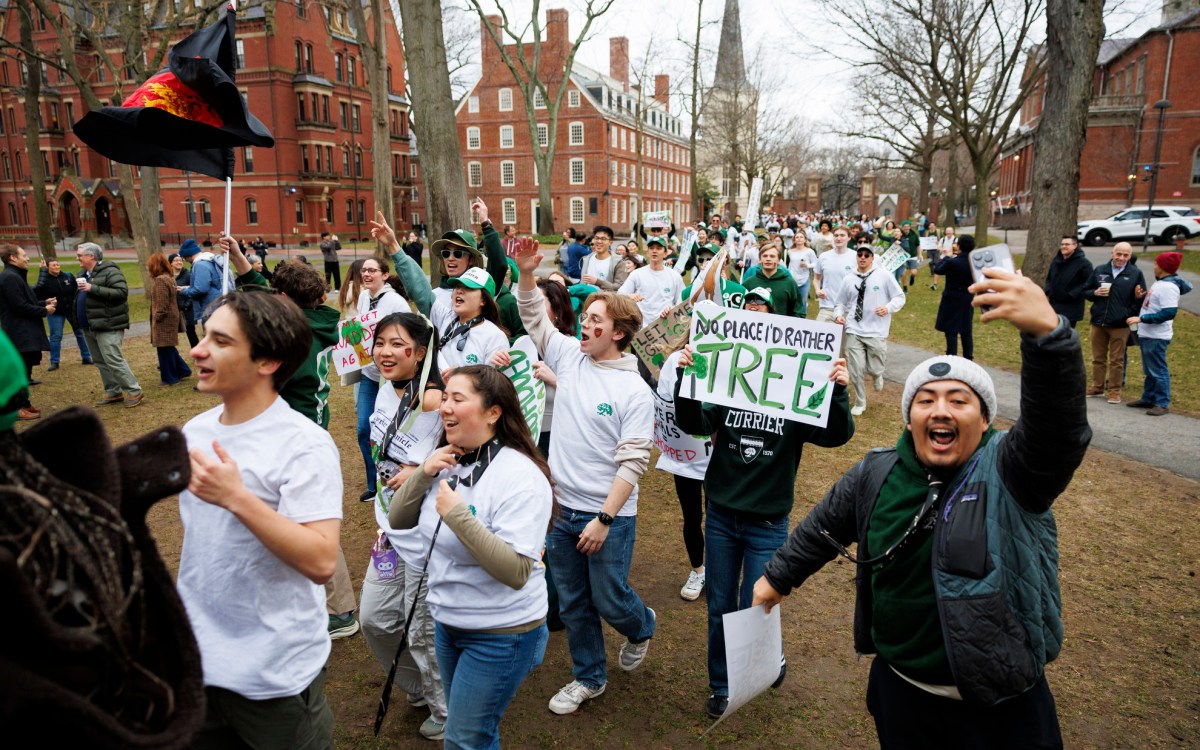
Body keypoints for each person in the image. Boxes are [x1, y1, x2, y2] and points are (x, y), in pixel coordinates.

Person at [753, 267, 1092, 748]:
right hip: (902, 694)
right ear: (911, 417)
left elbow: (1059, 431)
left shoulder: (1013, 472)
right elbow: (824, 528)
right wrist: (777, 578)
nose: (940, 411)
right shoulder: (877, 471)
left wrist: (1048, 338)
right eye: (926, 400)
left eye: (959, 401)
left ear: (984, 418)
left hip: (1001, 707)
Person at [673, 300, 853, 719]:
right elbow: (693, 422)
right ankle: (722, 684)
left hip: (768, 521)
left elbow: (836, 435)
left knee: (756, 603)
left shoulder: (795, 393)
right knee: (720, 604)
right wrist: (688, 374)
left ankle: (767, 660)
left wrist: (839, 391)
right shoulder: (728, 383)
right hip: (720, 515)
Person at [177, 291, 341, 749]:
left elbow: (322, 559)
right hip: (198, 663)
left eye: (220, 341)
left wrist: (237, 498)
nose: (198, 349)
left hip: (274, 675)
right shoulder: (197, 431)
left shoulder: (303, 444)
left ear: (267, 361)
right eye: (205, 335)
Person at [513, 237, 656, 716]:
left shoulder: (634, 391)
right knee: (573, 602)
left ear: (618, 333)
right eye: (587, 317)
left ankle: (642, 626)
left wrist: (604, 519)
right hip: (560, 510)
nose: (585, 325)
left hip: (606, 515)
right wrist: (526, 271)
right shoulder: (571, 359)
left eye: (596, 320)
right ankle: (589, 677)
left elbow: (633, 463)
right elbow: (534, 314)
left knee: (610, 599)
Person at [389, 366, 554, 750]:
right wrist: (423, 474)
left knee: (464, 740)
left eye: (457, 399)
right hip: (448, 623)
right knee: (476, 734)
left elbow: (515, 571)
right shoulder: (446, 461)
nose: (445, 407)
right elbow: (399, 519)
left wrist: (457, 516)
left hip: (502, 633)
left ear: (493, 412)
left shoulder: (520, 476)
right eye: (444, 397)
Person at [360, 312, 448, 741]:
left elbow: (474, 449)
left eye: (398, 344)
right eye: (380, 342)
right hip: (390, 530)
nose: (386, 352)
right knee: (374, 619)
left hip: (428, 533)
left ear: (420, 353)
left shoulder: (440, 399)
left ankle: (447, 708)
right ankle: (418, 687)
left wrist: (423, 467)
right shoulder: (383, 386)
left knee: (422, 630)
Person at [354, 257, 412, 501]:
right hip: (369, 374)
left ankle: (397, 482)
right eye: (364, 270)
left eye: (372, 271)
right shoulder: (363, 297)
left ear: (385, 275)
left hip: (393, 378)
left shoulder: (395, 302)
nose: (367, 274)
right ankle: (374, 483)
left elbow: (412, 330)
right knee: (364, 429)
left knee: (392, 432)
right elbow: (358, 330)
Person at [834, 244, 906, 416]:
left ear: (872, 258)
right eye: (860, 254)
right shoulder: (849, 278)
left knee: (874, 367)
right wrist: (838, 315)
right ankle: (860, 401)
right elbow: (840, 302)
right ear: (857, 257)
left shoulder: (884, 275)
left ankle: (877, 374)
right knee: (855, 368)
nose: (863, 257)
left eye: (867, 255)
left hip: (876, 329)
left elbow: (899, 297)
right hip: (854, 327)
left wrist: (888, 308)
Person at [75, 243, 144, 408]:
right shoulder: (83, 273)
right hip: (89, 325)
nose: (77, 258)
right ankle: (114, 392)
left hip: (108, 324)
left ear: (91, 256)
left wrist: (93, 288)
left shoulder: (110, 271)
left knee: (113, 358)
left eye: (80, 255)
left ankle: (135, 391)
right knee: (100, 361)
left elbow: (121, 293)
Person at [1126, 252, 1191, 416]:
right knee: (1149, 369)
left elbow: (1168, 313)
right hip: (1148, 334)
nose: (1154, 266)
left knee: (1158, 370)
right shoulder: (1161, 283)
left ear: (1163, 267)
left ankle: (1162, 403)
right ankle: (1148, 398)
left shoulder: (1169, 287)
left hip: (1156, 336)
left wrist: (1141, 319)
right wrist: (1141, 298)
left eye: (1156, 263)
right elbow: (1155, 305)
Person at [1083, 242, 1146, 403]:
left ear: (1130, 257)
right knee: (1098, 358)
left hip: (1120, 324)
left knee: (1117, 360)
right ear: (1112, 253)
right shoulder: (1100, 270)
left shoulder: (1135, 273)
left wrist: (1128, 314)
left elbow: (1140, 298)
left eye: (1125, 255)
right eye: (1118, 254)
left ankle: (1115, 391)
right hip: (1098, 322)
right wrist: (1095, 292)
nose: (1121, 258)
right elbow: (1086, 291)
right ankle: (1097, 387)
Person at [0, 244, 53, 420]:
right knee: (19, 372)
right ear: (13, 258)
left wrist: (44, 302)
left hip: (24, 332)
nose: (27, 258)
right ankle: (16, 408)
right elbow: (19, 306)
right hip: (19, 333)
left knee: (25, 370)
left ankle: (24, 403)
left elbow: (26, 301)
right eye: (24, 255)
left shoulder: (15, 276)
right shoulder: (10, 278)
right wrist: (45, 310)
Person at [438, 267, 509, 371]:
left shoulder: (495, 337)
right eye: (457, 286)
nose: (459, 291)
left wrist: (458, 376)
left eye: (468, 288)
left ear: (483, 300)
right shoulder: (446, 319)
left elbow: (494, 383)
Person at [33, 256, 91, 370]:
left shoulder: (68, 276)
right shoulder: (44, 280)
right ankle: (54, 362)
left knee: (80, 333)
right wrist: (47, 304)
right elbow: (38, 296)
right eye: (54, 265)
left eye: (58, 264)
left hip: (71, 311)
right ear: (47, 268)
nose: (57, 267)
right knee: (56, 337)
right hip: (55, 313)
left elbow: (76, 291)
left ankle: (87, 357)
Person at [147, 252, 193, 387]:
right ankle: (183, 370)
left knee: (163, 349)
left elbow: (162, 303)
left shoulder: (161, 280)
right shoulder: (169, 278)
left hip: (164, 319)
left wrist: (157, 317)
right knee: (168, 347)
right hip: (171, 317)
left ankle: (169, 378)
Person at [618, 235, 684, 327]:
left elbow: (681, 302)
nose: (654, 251)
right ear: (648, 253)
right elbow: (620, 294)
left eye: (659, 248)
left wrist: (671, 309)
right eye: (651, 248)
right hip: (641, 328)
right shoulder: (637, 274)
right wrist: (630, 296)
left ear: (665, 253)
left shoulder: (675, 276)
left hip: (666, 327)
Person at [934, 233, 976, 359]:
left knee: (951, 329)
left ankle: (951, 356)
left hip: (952, 297)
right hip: (968, 297)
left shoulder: (953, 262)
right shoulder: (975, 263)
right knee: (966, 329)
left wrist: (946, 257)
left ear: (958, 246)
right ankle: (968, 357)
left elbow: (938, 269)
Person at [177, 238, 234, 325]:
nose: (186, 261)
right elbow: (209, 283)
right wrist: (189, 287)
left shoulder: (200, 265)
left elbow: (201, 289)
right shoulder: (209, 260)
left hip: (211, 308)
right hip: (220, 303)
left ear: (189, 255)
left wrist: (184, 291)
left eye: (185, 258)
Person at [1043, 236, 1094, 329]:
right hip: (1054, 305)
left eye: (1067, 244)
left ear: (1075, 246)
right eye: (1062, 244)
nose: (1063, 246)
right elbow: (1049, 278)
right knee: (1051, 334)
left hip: (1071, 307)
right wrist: (1048, 290)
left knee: (1065, 336)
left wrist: (1071, 294)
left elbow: (1088, 283)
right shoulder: (1056, 261)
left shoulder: (1084, 264)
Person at [741, 242, 801, 316]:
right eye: (765, 256)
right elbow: (740, 308)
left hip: (780, 326)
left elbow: (799, 311)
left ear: (779, 261)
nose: (768, 259)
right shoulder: (749, 283)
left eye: (772, 256)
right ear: (760, 260)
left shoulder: (790, 284)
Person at [812, 226, 857, 323]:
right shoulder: (824, 256)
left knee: (843, 338)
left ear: (849, 237)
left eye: (842, 235)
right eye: (836, 235)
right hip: (827, 306)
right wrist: (818, 290)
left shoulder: (856, 257)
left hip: (847, 308)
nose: (838, 238)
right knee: (819, 336)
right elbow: (816, 279)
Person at [580, 225, 629, 291]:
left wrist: (597, 282)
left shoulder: (618, 262)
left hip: (606, 300)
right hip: (587, 299)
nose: (599, 241)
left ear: (610, 242)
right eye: (597, 238)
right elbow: (582, 282)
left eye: (603, 239)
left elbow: (619, 287)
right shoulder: (587, 259)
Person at [170, 252, 200, 348]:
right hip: (173, 310)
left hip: (187, 310)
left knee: (191, 332)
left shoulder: (188, 275)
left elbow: (194, 290)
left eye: (180, 260)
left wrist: (186, 304)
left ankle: (197, 352)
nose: (179, 262)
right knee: (170, 334)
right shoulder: (168, 276)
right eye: (176, 260)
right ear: (170, 263)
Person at [786, 232, 818, 317]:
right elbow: (790, 265)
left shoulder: (809, 251)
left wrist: (807, 265)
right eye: (797, 237)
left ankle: (802, 319)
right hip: (792, 279)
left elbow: (816, 263)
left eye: (801, 237)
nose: (799, 238)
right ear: (794, 240)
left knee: (803, 301)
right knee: (791, 300)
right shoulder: (790, 251)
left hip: (804, 279)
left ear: (805, 240)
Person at [897, 220, 921, 289]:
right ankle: (905, 287)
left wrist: (920, 254)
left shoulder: (914, 235)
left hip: (913, 256)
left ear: (910, 227)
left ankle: (912, 277)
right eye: (905, 227)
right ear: (902, 228)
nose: (906, 228)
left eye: (908, 226)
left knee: (914, 272)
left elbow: (918, 245)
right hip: (904, 256)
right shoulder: (900, 235)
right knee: (903, 273)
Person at [932, 226, 956, 292]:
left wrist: (948, 254)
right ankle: (934, 284)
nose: (948, 234)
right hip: (943, 257)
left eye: (950, 232)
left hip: (953, 258)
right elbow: (938, 247)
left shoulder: (956, 240)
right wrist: (942, 249)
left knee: (951, 273)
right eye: (947, 232)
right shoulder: (943, 239)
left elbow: (955, 251)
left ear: (952, 232)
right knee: (938, 270)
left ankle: (951, 286)